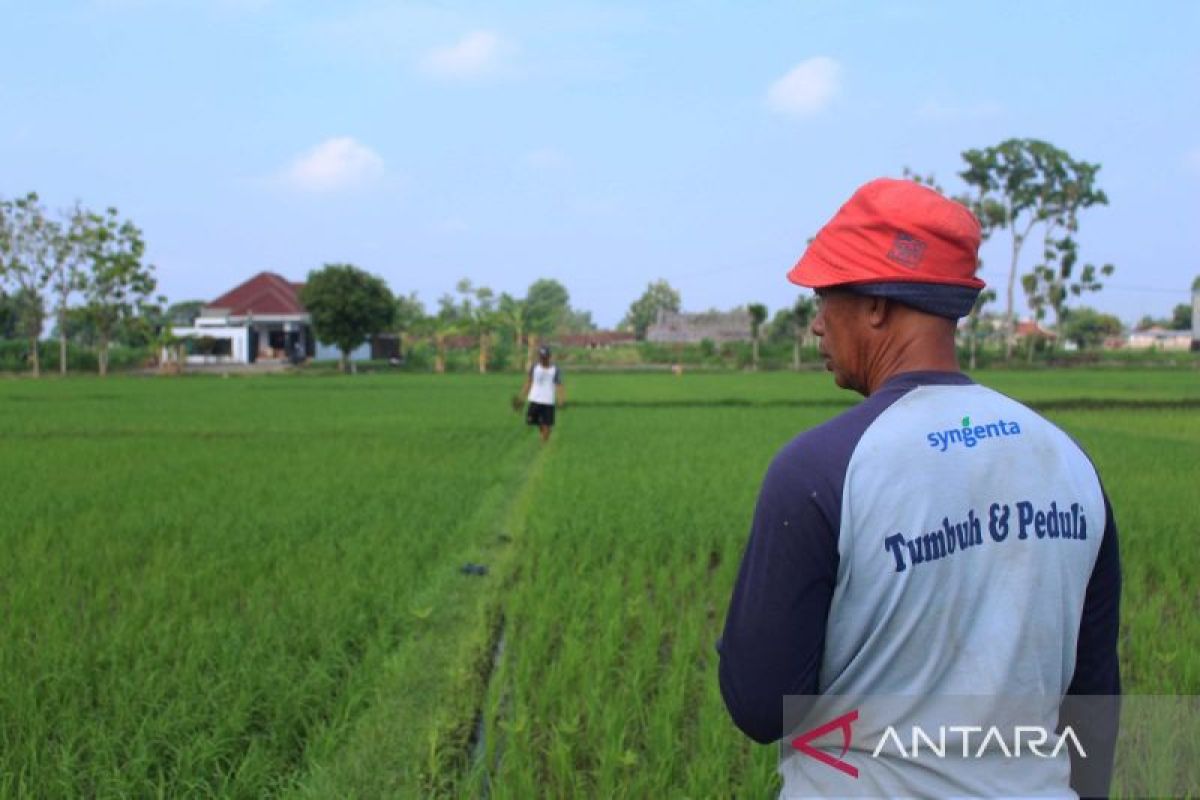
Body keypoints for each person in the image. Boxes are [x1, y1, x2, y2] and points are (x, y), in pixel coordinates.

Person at [717, 178, 1120, 798]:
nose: (818, 325)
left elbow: (761, 707)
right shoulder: (1069, 463)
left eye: (826, 297)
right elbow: (1092, 699)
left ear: (878, 304)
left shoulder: (820, 470)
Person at [520, 346, 565, 443]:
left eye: (545, 357)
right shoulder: (535, 367)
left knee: (547, 424)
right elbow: (529, 381)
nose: (543, 359)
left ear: (549, 357)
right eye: (541, 357)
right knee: (531, 420)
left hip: (548, 401)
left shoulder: (555, 369)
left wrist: (561, 399)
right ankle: (544, 430)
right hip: (534, 399)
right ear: (539, 357)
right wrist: (522, 396)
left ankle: (544, 442)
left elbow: (559, 385)